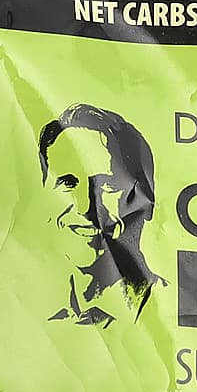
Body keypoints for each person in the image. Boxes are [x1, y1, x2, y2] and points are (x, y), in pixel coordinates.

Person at [37, 103, 163, 327]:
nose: (84, 207)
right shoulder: (24, 313)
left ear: (147, 202)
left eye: (105, 185)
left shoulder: (168, 317)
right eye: (67, 183)